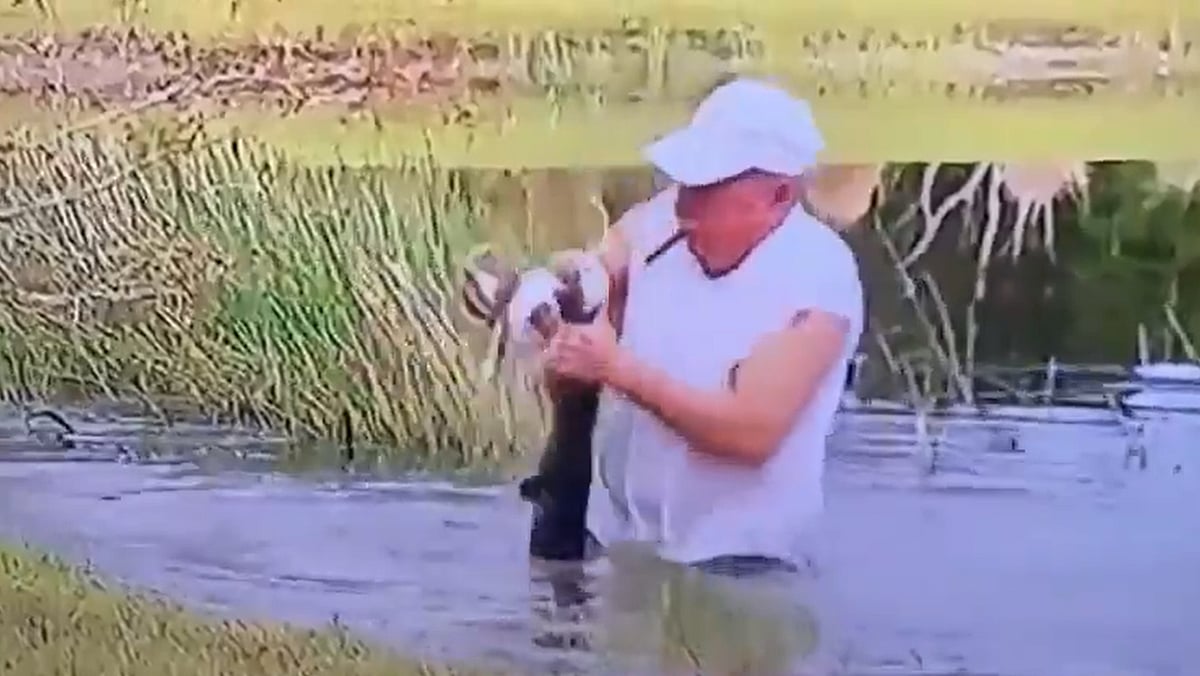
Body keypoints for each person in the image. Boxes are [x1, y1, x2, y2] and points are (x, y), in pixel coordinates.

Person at [543, 77, 866, 673]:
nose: (686, 203)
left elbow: (752, 434)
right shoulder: (667, 219)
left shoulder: (818, 281)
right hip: (630, 546)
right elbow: (600, 264)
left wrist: (616, 368)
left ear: (779, 196)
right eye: (686, 181)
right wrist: (560, 291)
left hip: (743, 569)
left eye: (710, 188)